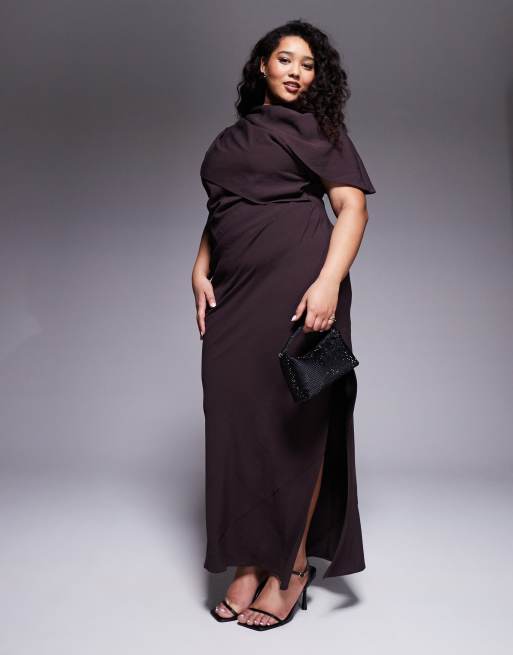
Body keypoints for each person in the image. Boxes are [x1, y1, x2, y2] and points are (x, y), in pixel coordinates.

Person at [191, 19, 376, 631]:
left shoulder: (320, 132)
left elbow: (352, 208)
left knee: (299, 425)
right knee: (237, 426)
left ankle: (290, 568)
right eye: (286, 59)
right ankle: (248, 561)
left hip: (303, 293)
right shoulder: (232, 138)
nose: (297, 72)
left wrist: (327, 283)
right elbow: (223, 210)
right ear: (262, 66)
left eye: (308, 64)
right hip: (236, 297)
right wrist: (198, 266)